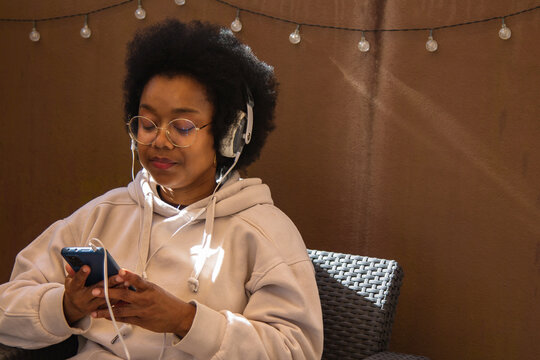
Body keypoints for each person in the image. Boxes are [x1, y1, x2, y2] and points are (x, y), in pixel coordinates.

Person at [0, 19, 323, 359]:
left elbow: (296, 351)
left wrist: (186, 321)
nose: (159, 141)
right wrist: (65, 306)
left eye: (182, 127)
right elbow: (7, 308)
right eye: (147, 123)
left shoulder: (264, 233)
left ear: (231, 135)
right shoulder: (103, 215)